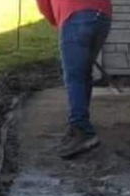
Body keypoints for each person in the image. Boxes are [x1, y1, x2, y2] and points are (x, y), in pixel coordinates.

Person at [36, 0, 112, 158]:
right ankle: (82, 123)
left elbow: (43, 5)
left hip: (75, 15)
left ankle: (82, 130)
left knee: (74, 76)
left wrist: (60, 24)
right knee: (84, 71)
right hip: (102, 16)